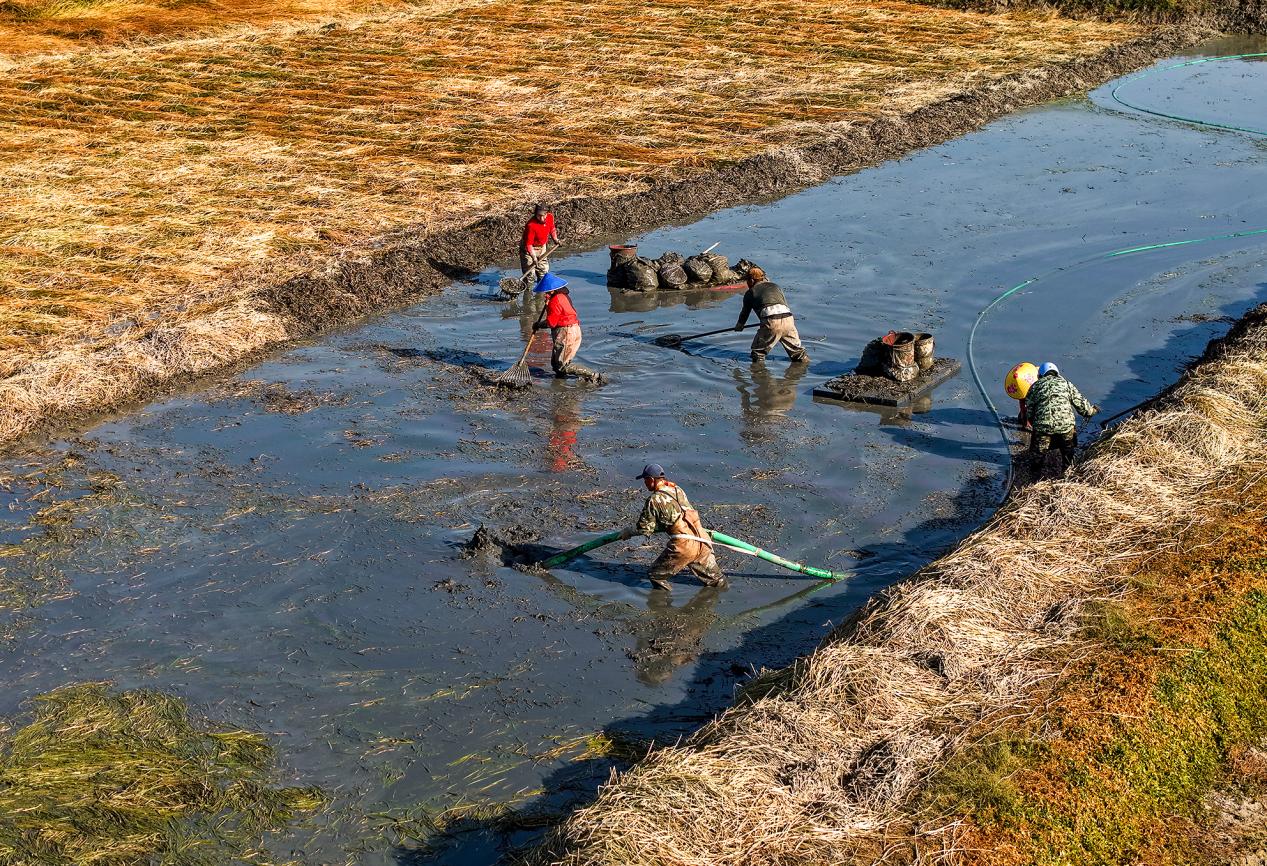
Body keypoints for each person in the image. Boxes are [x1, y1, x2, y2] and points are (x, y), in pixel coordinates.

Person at [618, 464, 726, 591]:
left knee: (655, 575)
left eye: (646, 480)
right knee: (716, 580)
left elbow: (644, 529)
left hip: (685, 545)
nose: (645, 483)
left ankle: (663, 608)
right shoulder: (678, 490)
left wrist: (628, 532)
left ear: (652, 480)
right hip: (702, 539)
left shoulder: (654, 499)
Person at [1024, 362, 1098, 476]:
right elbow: (1083, 407)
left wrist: (1035, 423)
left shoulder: (1035, 387)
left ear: (1040, 375)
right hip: (1066, 426)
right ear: (1057, 373)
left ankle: (1035, 477)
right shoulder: (1066, 384)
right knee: (1068, 452)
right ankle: (1066, 474)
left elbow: (1029, 411)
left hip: (1043, 428)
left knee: (1038, 455)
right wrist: (1092, 411)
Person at [733, 265, 810, 364]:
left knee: (758, 353)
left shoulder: (750, 293)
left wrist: (739, 325)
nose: (747, 283)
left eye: (747, 281)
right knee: (798, 352)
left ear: (751, 280)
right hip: (789, 319)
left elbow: (745, 313)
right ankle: (804, 368)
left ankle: (759, 375)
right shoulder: (776, 286)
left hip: (771, 320)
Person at [532, 273, 601, 382]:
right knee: (555, 363)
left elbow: (551, 323)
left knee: (562, 365)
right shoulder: (563, 296)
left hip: (566, 332)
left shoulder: (555, 301)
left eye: (546, 291)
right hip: (572, 329)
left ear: (551, 291)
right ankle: (559, 382)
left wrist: (538, 325)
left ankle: (593, 375)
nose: (544, 293)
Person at [521, 204, 561, 289]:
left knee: (543, 272)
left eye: (544, 215)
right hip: (529, 249)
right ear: (535, 214)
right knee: (529, 276)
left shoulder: (550, 217)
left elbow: (552, 228)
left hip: (542, 247)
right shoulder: (531, 225)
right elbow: (528, 244)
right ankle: (528, 293)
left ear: (547, 213)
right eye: (539, 216)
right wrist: (534, 258)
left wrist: (555, 239)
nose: (542, 218)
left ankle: (540, 294)